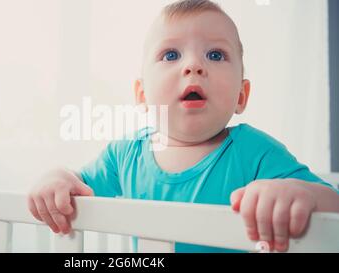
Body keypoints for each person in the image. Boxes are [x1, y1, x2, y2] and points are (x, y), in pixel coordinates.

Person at [27, 0, 339, 252]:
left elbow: (332, 202)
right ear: (143, 96)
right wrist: (57, 177)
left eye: (215, 54)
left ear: (241, 96)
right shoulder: (124, 155)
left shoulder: (254, 152)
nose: (193, 65)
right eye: (171, 54)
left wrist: (298, 193)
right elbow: (78, 183)